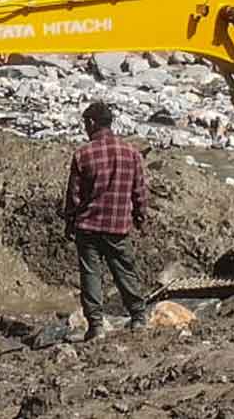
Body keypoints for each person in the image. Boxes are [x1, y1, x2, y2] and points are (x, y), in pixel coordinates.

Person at [64, 101, 148, 341]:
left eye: (85, 124)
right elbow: (139, 191)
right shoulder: (131, 153)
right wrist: (140, 217)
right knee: (125, 272)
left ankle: (96, 326)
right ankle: (139, 318)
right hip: (118, 226)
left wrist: (69, 221)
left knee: (91, 275)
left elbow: (74, 195)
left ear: (91, 123)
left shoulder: (83, 154)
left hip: (88, 226)